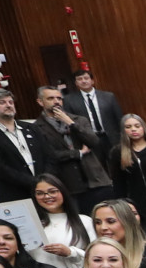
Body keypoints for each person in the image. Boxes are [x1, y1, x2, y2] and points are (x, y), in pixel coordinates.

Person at [32, 85, 112, 214]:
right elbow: (51, 155)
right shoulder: (36, 127)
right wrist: (78, 153)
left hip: (94, 180)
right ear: (40, 102)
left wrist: (71, 124)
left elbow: (94, 142)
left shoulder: (78, 120)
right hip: (68, 184)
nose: (56, 101)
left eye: (59, 98)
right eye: (51, 98)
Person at [0, 87, 48, 203]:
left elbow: (49, 156)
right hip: (15, 194)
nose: (8, 105)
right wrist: (35, 183)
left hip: (46, 191)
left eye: (10, 102)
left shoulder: (31, 128)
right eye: (2, 102)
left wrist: (46, 181)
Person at [31, 174, 93, 268]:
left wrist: (70, 252)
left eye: (52, 191)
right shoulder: (30, 223)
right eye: (40, 193)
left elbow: (98, 256)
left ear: (63, 192)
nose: (47, 196)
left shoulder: (85, 221)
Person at [66, 70, 126, 151]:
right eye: (80, 79)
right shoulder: (69, 100)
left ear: (92, 81)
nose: (83, 81)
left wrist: (123, 137)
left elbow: (119, 118)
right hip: (88, 140)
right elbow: (70, 122)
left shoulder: (108, 96)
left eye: (86, 78)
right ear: (76, 83)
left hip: (111, 138)